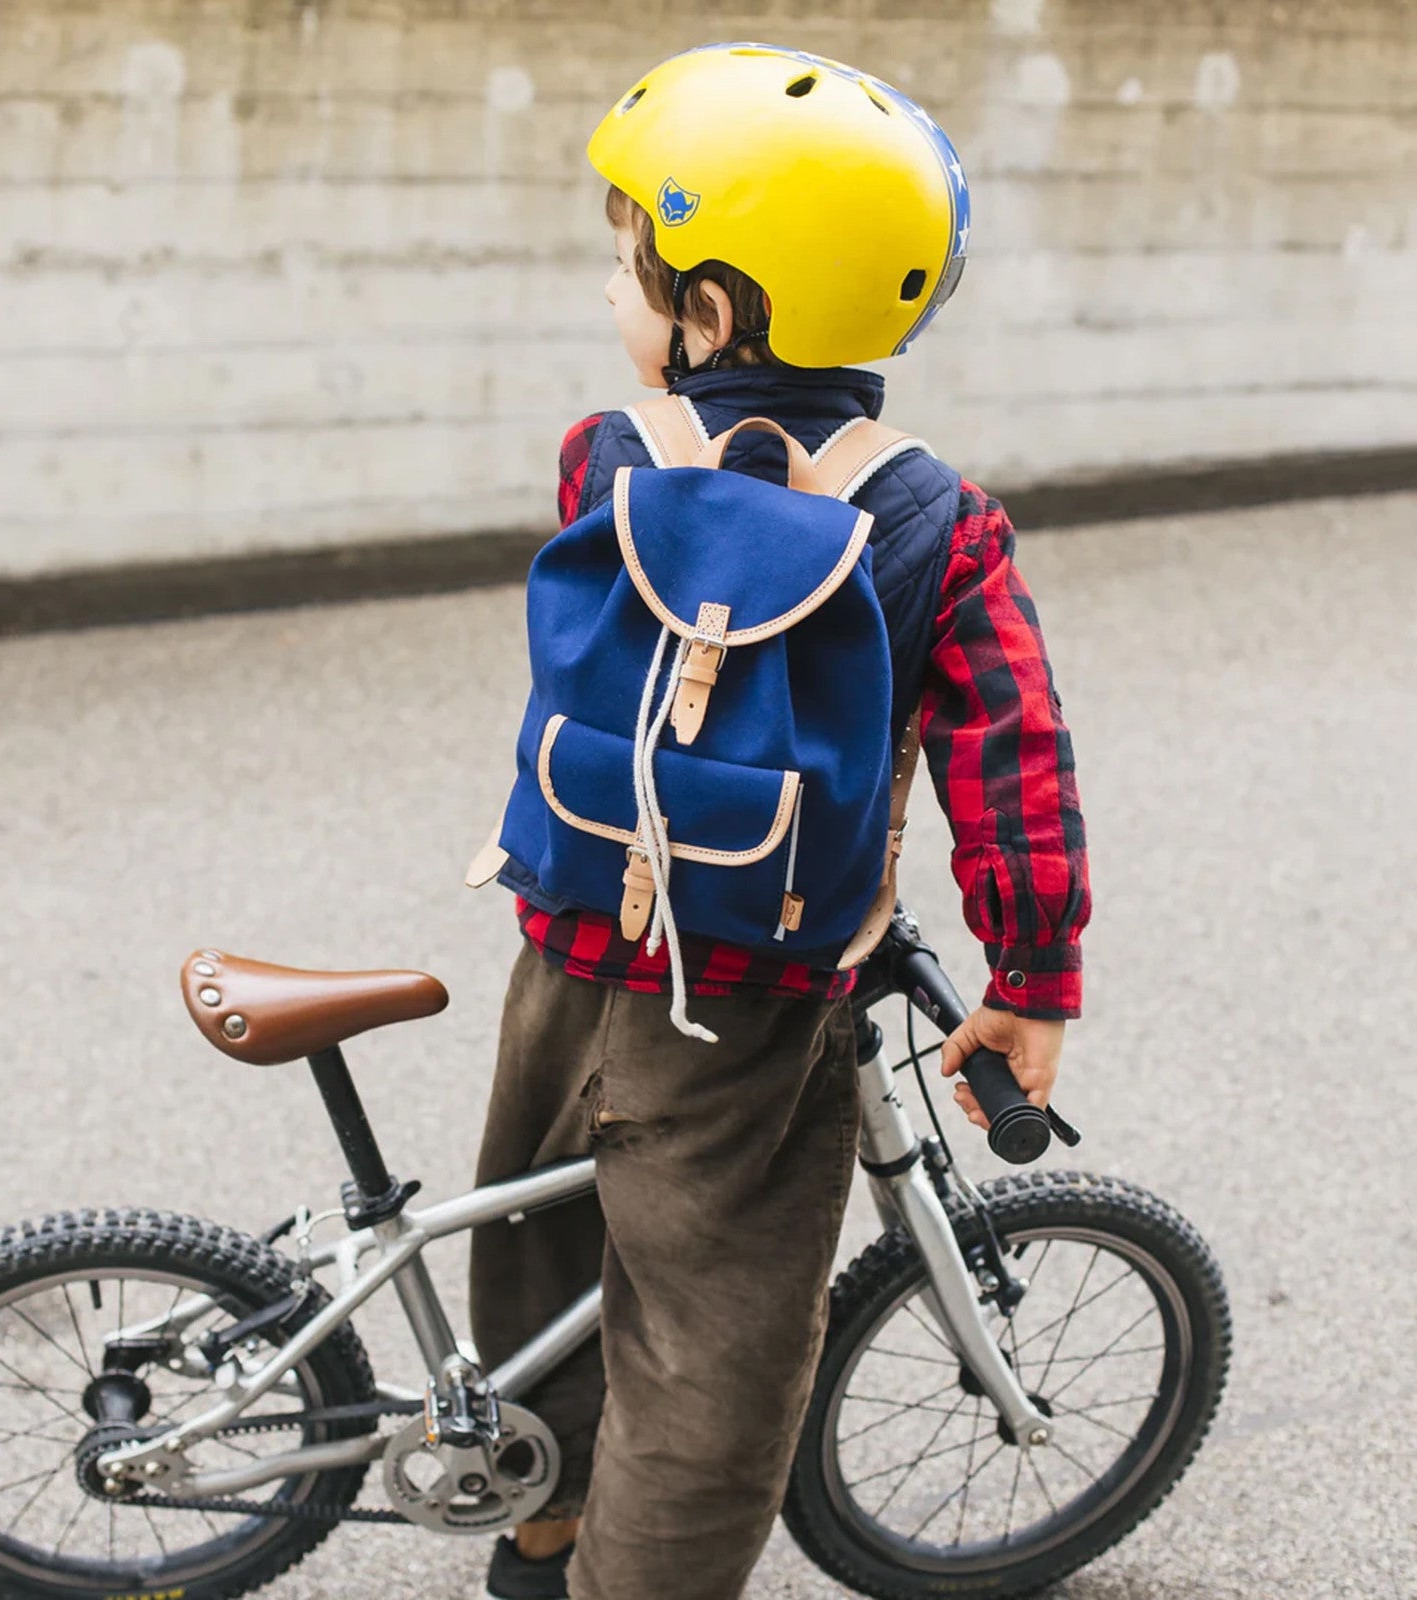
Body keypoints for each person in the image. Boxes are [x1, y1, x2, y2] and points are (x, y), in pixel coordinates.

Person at [466, 44, 1090, 1600]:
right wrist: (1030, 979)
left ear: (712, 312)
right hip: (756, 997)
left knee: (536, 1240)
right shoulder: (939, 524)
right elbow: (1014, 760)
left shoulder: (604, 459)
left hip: (566, 936)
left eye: (633, 267)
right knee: (713, 1352)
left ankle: (538, 1527)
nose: (615, 293)